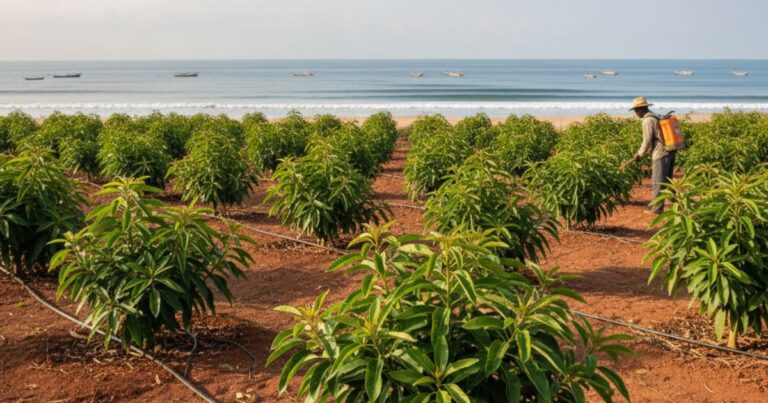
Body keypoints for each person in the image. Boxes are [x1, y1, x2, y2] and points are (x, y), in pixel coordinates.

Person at [626, 96, 676, 214]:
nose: (636, 112)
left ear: (643, 108)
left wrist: (639, 154)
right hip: (670, 151)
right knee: (667, 182)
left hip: (661, 154)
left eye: (637, 109)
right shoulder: (655, 115)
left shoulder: (647, 120)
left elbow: (647, 141)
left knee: (657, 183)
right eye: (635, 110)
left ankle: (657, 209)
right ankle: (681, 204)